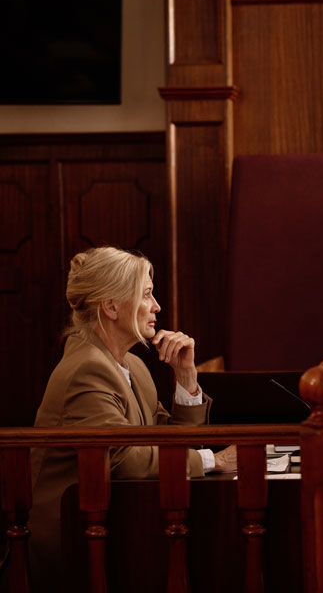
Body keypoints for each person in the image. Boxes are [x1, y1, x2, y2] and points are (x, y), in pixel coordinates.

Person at [29, 247, 235, 591]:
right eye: (146, 294)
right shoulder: (87, 369)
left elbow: (169, 443)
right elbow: (123, 460)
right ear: (111, 307)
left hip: (119, 526)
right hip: (74, 543)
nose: (157, 306)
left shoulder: (133, 365)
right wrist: (214, 461)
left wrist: (186, 377)